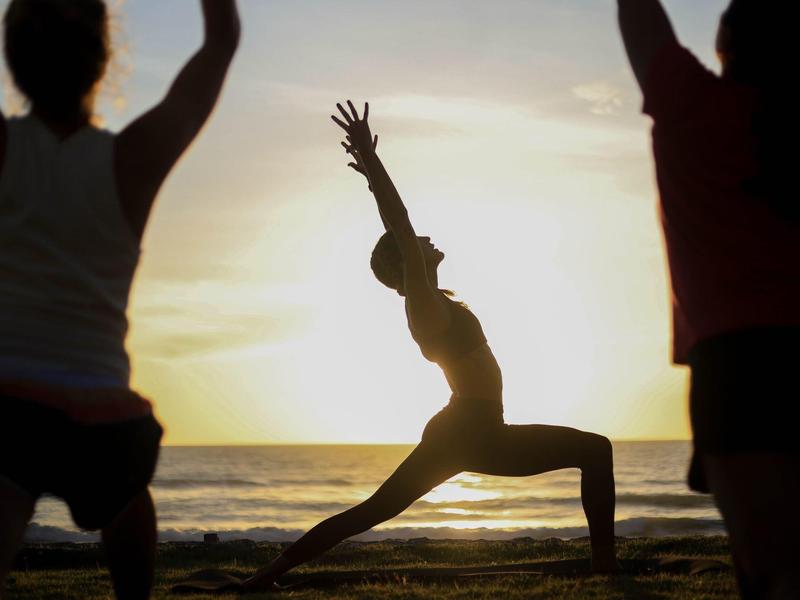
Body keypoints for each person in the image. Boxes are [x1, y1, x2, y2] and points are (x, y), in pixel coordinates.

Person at [243, 102, 619, 591]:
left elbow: (402, 229)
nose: (426, 237)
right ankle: (604, 567)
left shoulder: (436, 300)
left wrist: (372, 175)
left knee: (372, 511)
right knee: (594, 450)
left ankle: (267, 574)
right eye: (417, 240)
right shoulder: (421, 301)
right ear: (405, 266)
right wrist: (372, 166)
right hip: (470, 431)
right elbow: (399, 221)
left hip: (475, 429)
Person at [0, 1, 240, 598]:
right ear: (105, 60)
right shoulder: (130, 159)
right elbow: (220, 44)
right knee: (128, 490)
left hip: (8, 410)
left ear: (11, 60)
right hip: (108, 424)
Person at [617, 1, 799, 598]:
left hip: (736, 366)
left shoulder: (692, 107)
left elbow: (640, 16)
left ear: (723, 42)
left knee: (770, 575)